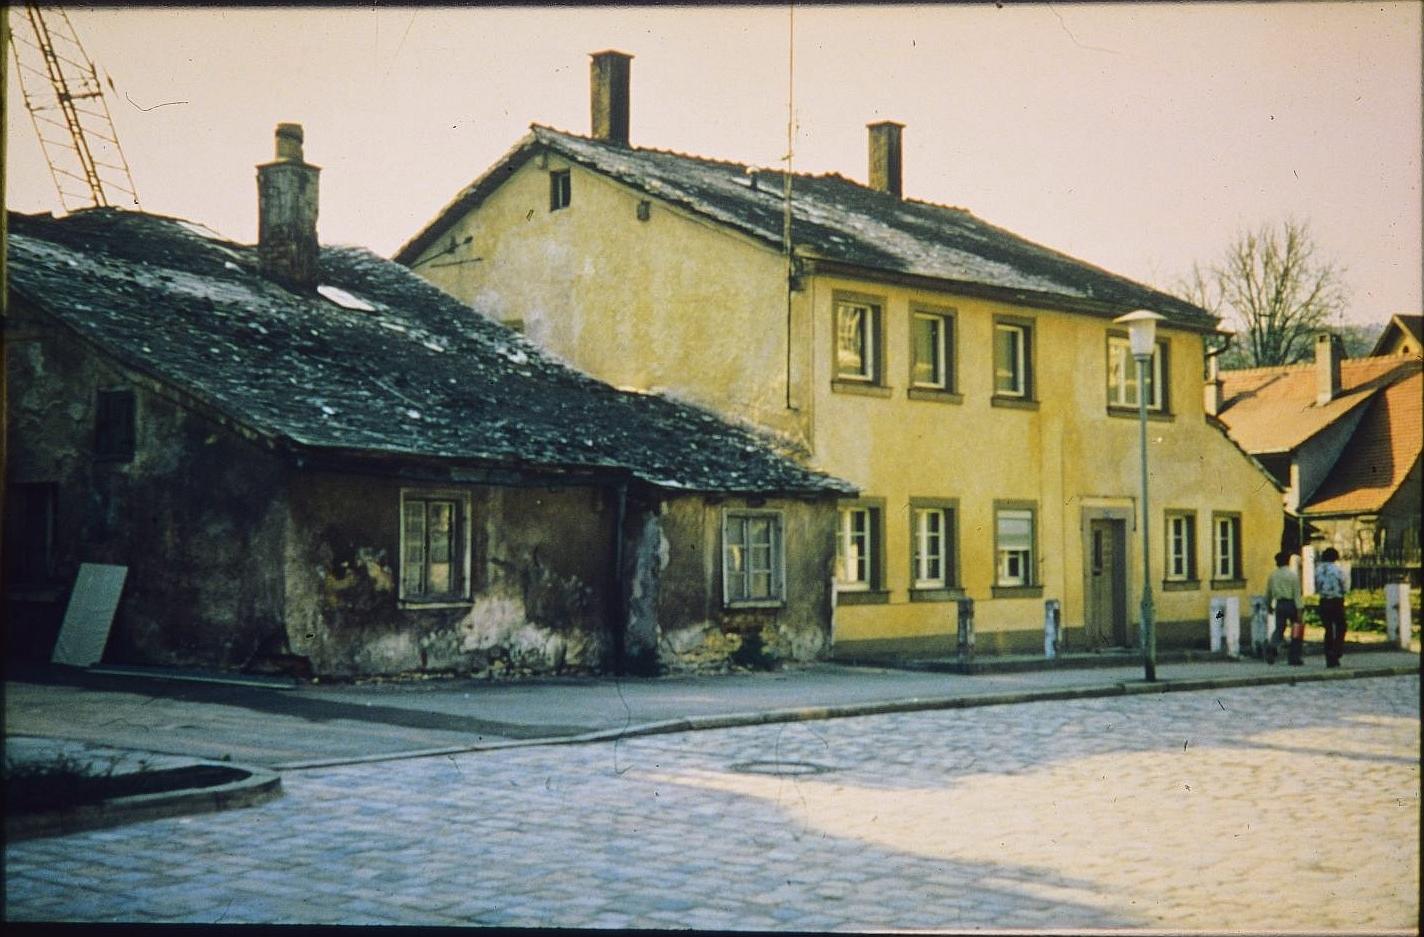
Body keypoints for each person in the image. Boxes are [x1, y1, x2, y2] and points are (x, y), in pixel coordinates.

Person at [1265, 551, 1303, 665]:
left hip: (1280, 604)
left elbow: (1268, 593)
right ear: (1288, 561)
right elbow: (1297, 594)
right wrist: (1299, 610)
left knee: (1279, 629)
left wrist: (1269, 605)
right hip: (1292, 603)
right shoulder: (1292, 575)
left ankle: (1272, 647)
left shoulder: (1273, 575)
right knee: (1296, 630)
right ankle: (1294, 656)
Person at [1314, 546, 1348, 668]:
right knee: (1341, 627)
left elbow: (1316, 586)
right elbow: (1344, 585)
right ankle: (1336, 650)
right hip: (1336, 601)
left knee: (1328, 629)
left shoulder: (1318, 570)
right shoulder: (1338, 569)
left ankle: (1329, 656)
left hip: (1324, 601)